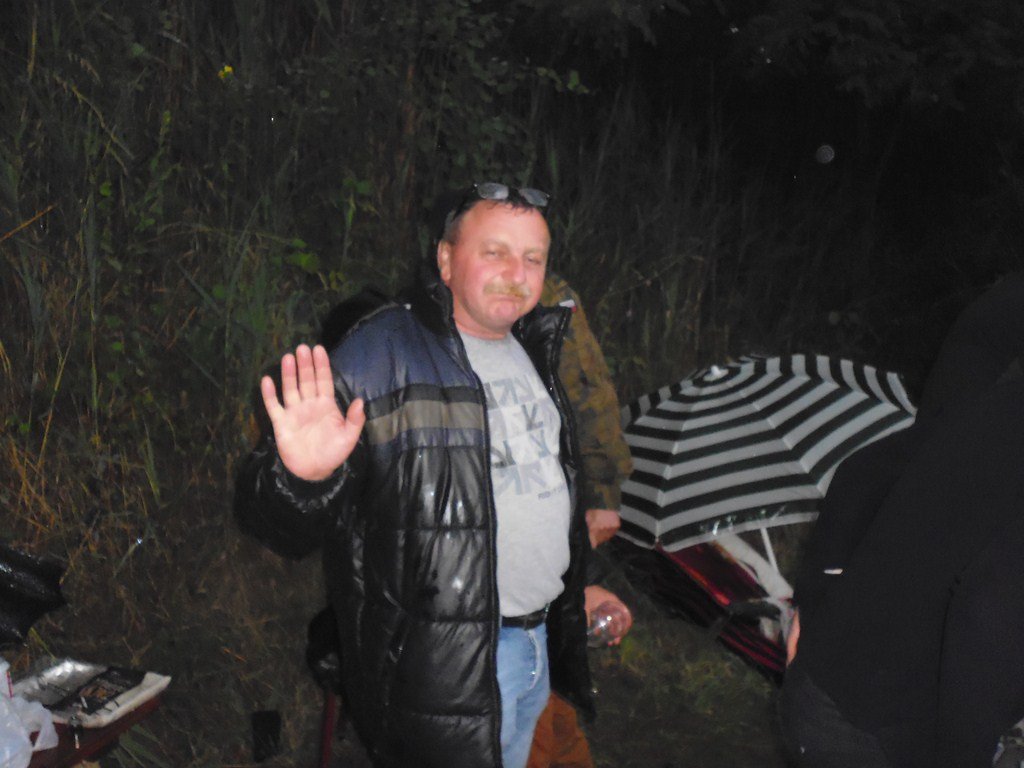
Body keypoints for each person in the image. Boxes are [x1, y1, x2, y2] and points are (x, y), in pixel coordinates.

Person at [235, 182, 594, 768]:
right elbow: (276, 527)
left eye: (533, 258)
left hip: (535, 643)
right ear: (446, 259)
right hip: (447, 666)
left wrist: (577, 584)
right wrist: (301, 478)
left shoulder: (533, 347)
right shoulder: (380, 353)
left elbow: (540, 489)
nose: (517, 274)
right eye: (495, 252)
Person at [780, 272, 1024, 768]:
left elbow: (866, 472)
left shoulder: (979, 410)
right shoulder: (986, 412)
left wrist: (816, 599)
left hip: (841, 691)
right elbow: (989, 614)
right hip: (877, 724)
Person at [526, 273, 634, 768]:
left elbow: (589, 393)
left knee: (553, 704)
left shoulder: (548, 293)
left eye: (533, 254)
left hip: (554, 521)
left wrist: (604, 490)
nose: (517, 266)